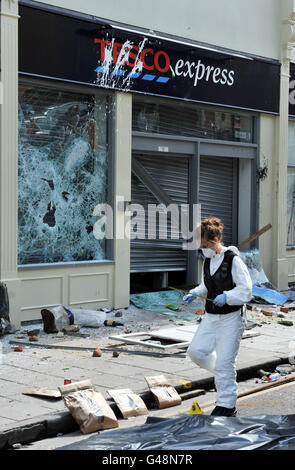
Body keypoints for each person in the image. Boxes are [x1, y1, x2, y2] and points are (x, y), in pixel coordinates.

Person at [183, 217, 252, 417]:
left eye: (203, 244)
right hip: (211, 316)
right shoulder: (207, 260)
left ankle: (227, 406)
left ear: (213, 239)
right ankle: (224, 374)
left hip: (231, 318)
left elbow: (246, 291)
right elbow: (208, 285)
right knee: (196, 352)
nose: (201, 247)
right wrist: (195, 293)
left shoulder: (233, 260)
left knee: (224, 364)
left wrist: (228, 297)